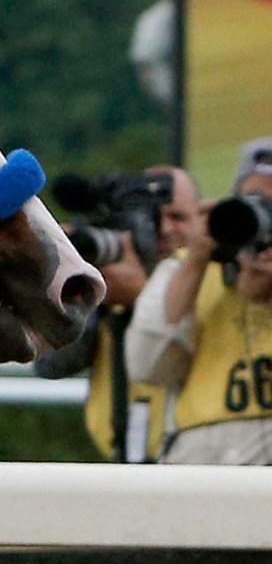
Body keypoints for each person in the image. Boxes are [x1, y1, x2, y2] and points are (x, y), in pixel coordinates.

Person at [33, 166, 201, 461]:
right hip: (118, 453)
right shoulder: (107, 277)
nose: (163, 230)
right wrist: (76, 288)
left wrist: (141, 295)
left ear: (201, 219)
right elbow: (53, 365)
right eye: (149, 217)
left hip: (190, 456)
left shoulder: (207, 276)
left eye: (177, 216)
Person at [124, 139, 272, 466]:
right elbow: (147, 366)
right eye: (257, 202)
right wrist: (197, 259)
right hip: (202, 455)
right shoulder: (188, 267)